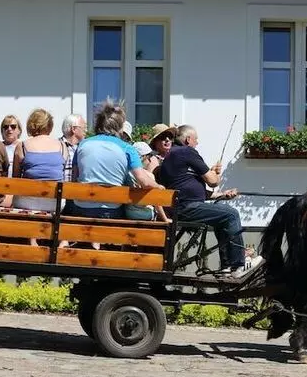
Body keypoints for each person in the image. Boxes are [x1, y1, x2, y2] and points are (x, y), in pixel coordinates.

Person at [159, 125, 258, 278]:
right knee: (231, 214)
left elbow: (192, 190)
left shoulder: (172, 155)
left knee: (221, 212)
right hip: (186, 207)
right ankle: (238, 264)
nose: (197, 143)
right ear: (188, 140)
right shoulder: (187, 151)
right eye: (196, 140)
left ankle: (226, 266)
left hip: (182, 205)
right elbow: (212, 181)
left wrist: (223, 194)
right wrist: (216, 174)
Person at [70, 100, 162, 220]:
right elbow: (144, 181)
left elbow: (74, 177)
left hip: (81, 207)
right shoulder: (127, 148)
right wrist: (159, 187)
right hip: (111, 209)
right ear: (119, 126)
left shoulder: (82, 145)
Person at [12, 108, 69, 247]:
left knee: (20, 194)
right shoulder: (62, 146)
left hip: (28, 203)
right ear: (49, 126)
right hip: (55, 202)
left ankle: (32, 239)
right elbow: (61, 172)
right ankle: (61, 240)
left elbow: (15, 178)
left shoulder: (23, 146)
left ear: (31, 125)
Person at [125, 141, 170, 222]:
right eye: (149, 157)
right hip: (144, 214)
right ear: (142, 157)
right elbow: (156, 201)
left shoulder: (126, 173)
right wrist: (165, 218)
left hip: (127, 212)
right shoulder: (148, 176)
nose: (150, 161)